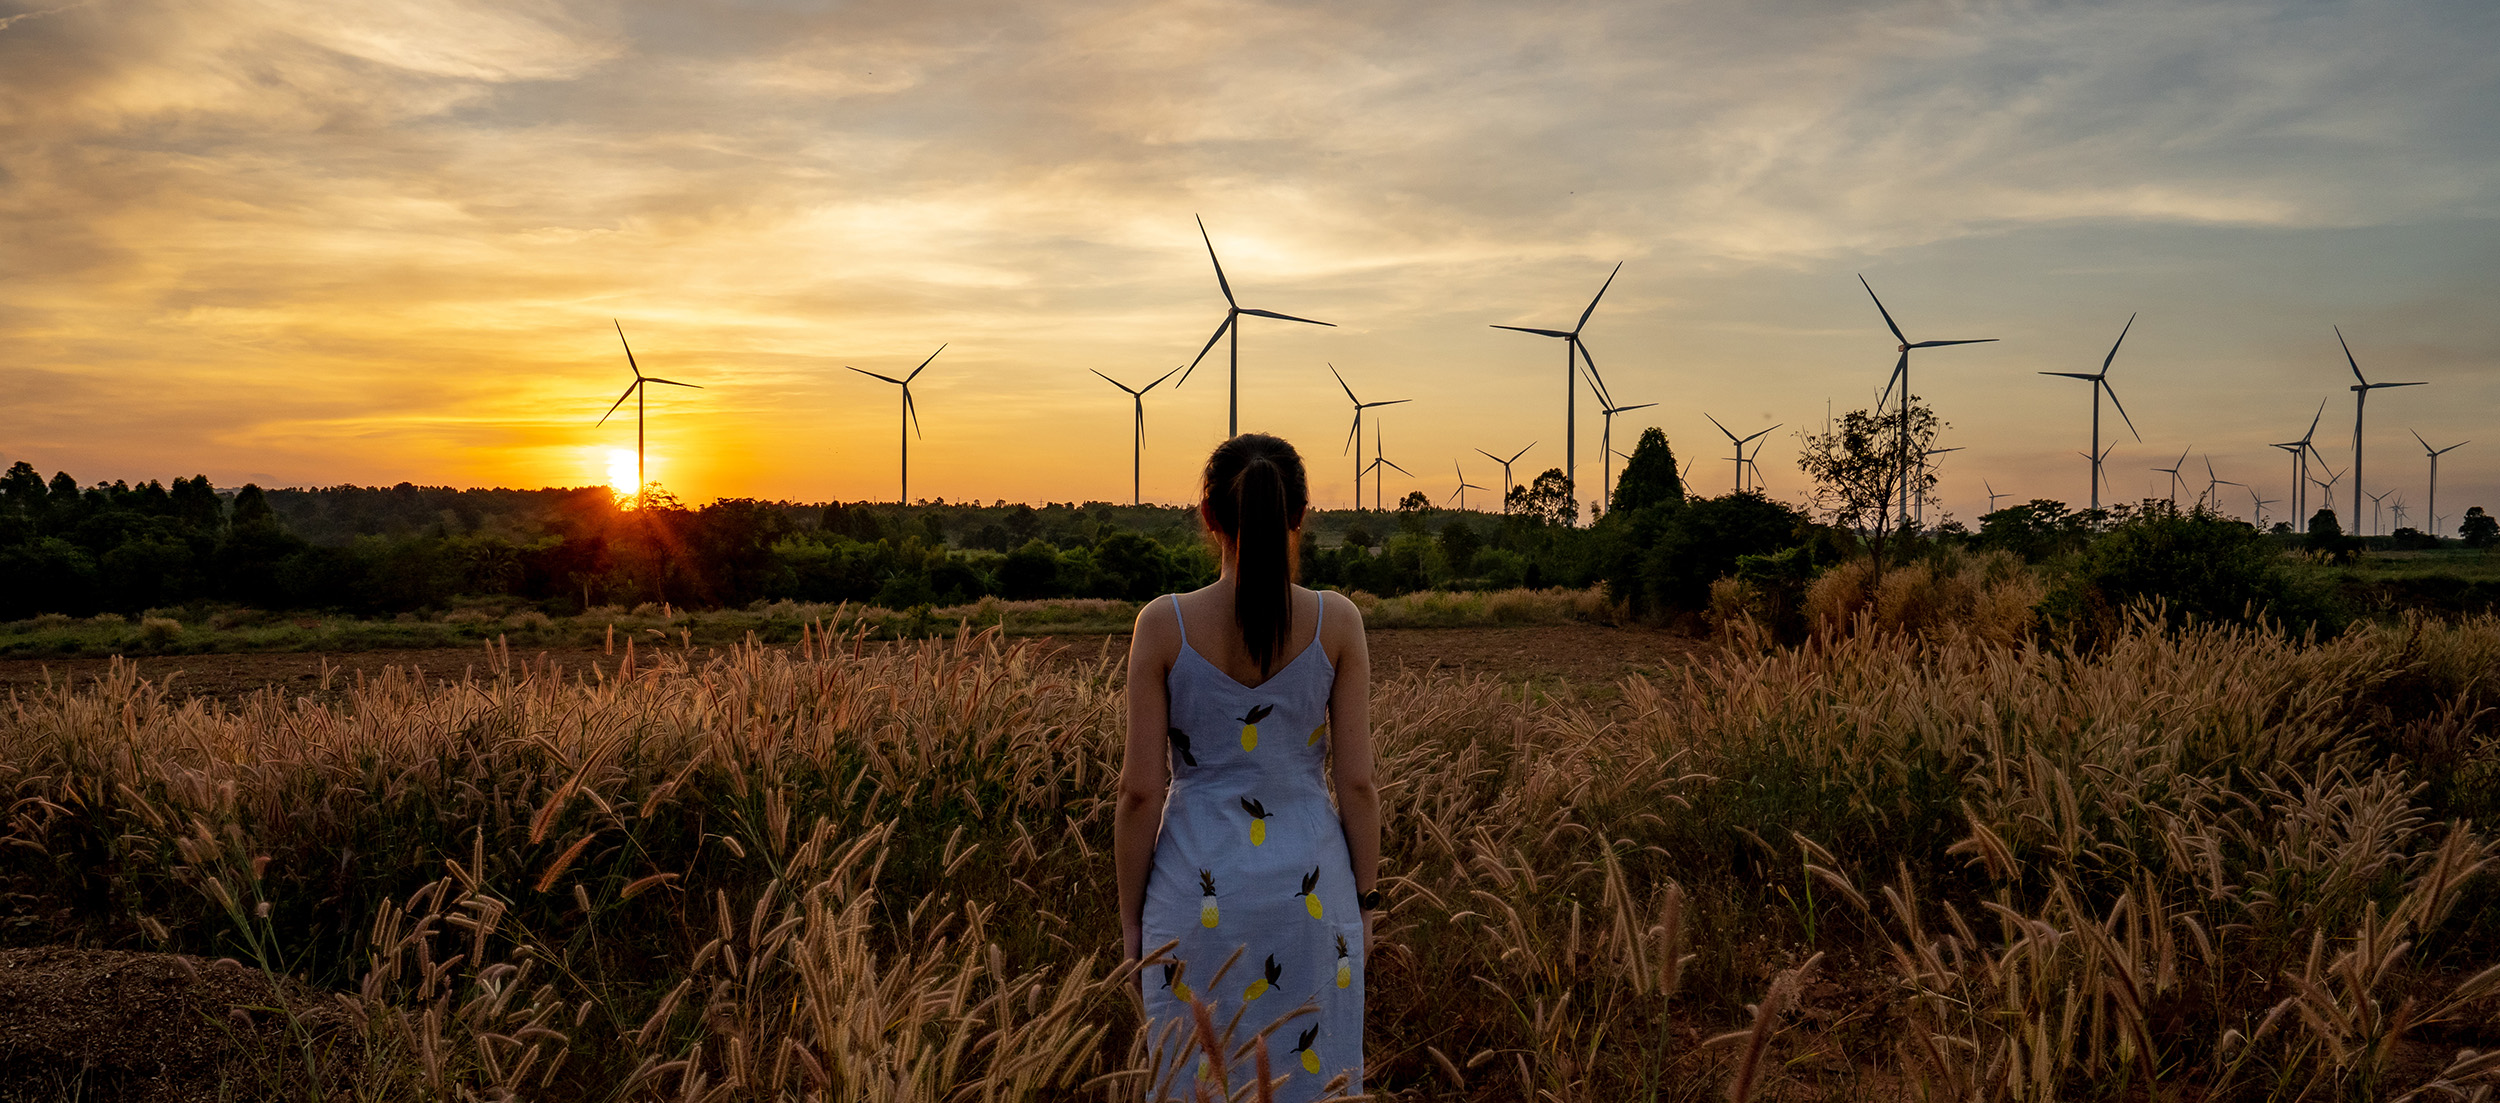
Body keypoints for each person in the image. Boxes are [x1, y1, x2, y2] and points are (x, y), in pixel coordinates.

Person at [1117, 434, 1379, 1098]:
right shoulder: (1339, 623)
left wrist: (1131, 924)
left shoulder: (1163, 625)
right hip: (1314, 895)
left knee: (1194, 1078)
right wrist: (1367, 902)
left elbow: (1140, 792)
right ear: (1299, 515)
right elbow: (1357, 784)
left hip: (1191, 895)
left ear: (1208, 517)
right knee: (1309, 1078)